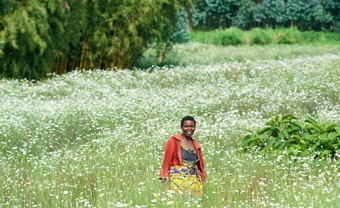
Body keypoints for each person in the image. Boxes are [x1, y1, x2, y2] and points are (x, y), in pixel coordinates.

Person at [159, 116, 206, 196]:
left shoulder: (196, 144)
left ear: (195, 127)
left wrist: (202, 178)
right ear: (181, 127)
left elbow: (200, 166)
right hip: (178, 181)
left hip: (194, 182)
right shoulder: (174, 140)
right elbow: (166, 162)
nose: (189, 129)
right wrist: (165, 180)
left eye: (192, 126)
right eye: (186, 126)